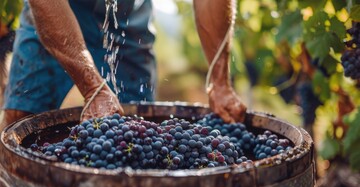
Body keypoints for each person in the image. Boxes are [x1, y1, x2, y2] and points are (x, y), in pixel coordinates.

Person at [0, 0, 246, 131]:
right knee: (21, 120)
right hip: (61, 10)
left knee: (136, 133)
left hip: (128, 15)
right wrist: (93, 88)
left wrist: (220, 81)